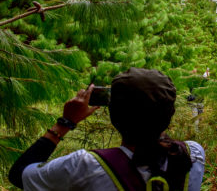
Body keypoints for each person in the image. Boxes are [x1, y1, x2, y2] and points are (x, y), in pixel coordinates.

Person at [9, 68, 205, 191]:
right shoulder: (193, 155)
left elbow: (20, 175)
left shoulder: (84, 166)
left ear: (114, 115)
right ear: (169, 114)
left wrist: (65, 122)